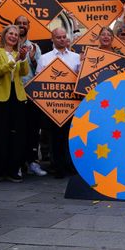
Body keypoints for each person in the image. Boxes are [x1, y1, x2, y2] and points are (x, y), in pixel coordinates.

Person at [0, 25, 30, 183]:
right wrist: (15, 60)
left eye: (16, 35)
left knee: (17, 134)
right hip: (0, 97)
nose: (13, 36)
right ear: (4, 35)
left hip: (17, 96)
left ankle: (13, 170)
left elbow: (24, 72)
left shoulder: (19, 53)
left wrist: (23, 59)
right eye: (10, 33)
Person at [36, 27, 81, 178]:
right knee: (55, 137)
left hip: (71, 104)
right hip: (53, 105)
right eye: (59, 37)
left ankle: (70, 165)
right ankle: (57, 166)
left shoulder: (76, 57)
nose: (62, 39)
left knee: (70, 135)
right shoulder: (44, 58)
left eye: (64, 37)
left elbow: (80, 79)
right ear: (52, 39)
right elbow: (39, 80)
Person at [15, 15, 47, 177]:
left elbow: (40, 71)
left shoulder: (35, 47)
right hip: (13, 94)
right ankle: (18, 164)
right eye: (18, 23)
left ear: (29, 26)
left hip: (31, 94)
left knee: (33, 129)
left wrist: (33, 59)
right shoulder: (9, 44)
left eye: (24, 23)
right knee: (17, 130)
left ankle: (32, 161)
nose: (21, 26)